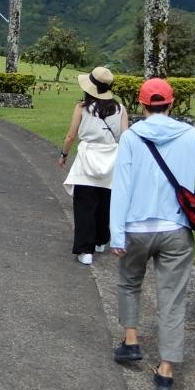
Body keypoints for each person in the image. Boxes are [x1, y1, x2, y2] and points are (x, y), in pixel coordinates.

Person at [109, 78, 195, 390]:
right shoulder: (190, 135)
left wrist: (116, 233)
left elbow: (122, 185)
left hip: (136, 228)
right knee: (171, 298)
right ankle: (166, 370)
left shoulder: (131, 137)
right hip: (176, 229)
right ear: (171, 103)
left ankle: (131, 341)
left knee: (129, 282)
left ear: (141, 104)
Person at [58, 66, 128, 266]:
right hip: (112, 159)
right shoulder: (120, 109)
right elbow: (125, 137)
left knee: (84, 205)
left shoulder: (82, 107)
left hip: (87, 158)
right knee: (105, 202)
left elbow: (71, 136)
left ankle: (85, 250)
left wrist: (64, 154)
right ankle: (101, 240)